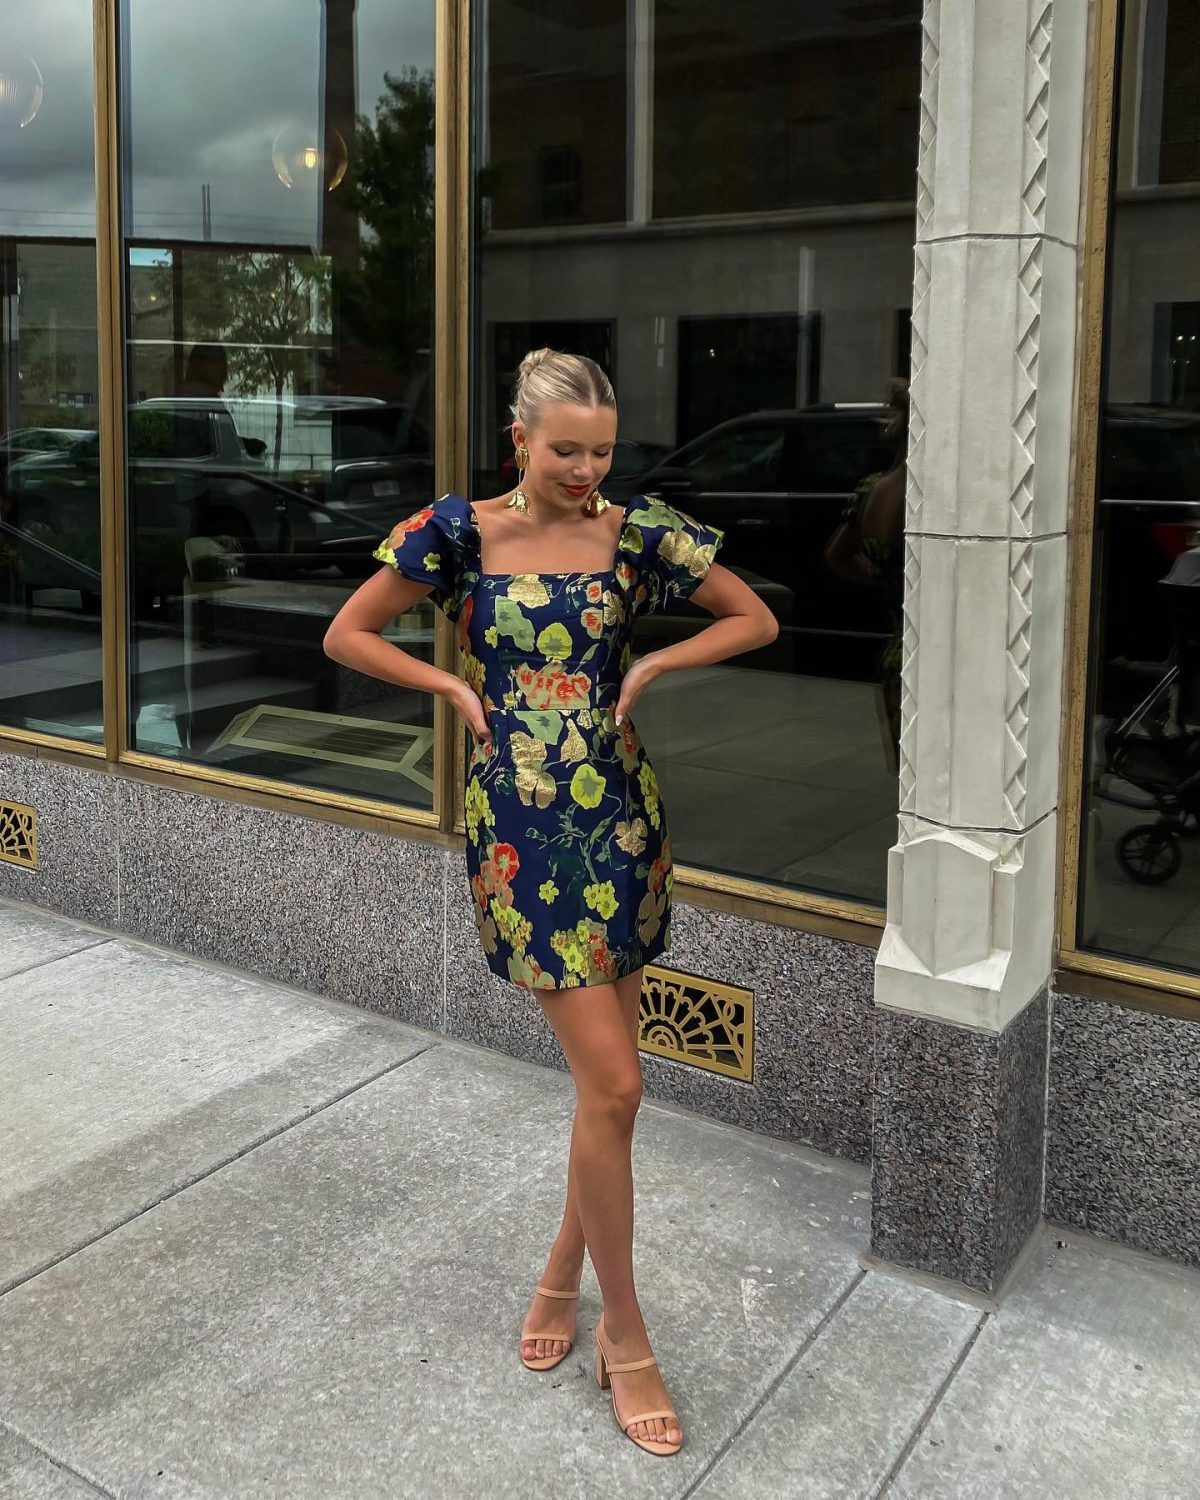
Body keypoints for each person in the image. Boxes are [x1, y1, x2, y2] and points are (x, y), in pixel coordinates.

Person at [323, 347, 776, 1458]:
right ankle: (628, 1335)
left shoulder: (636, 534)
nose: (586, 470)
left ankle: (562, 1277)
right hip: (521, 832)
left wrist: (654, 667)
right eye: (566, 449)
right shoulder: (457, 534)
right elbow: (347, 633)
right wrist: (448, 684)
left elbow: (753, 619)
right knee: (616, 1082)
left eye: (602, 451)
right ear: (518, 438)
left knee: (607, 1097)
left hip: (622, 819)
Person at [821, 378, 909, 772]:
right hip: (924, 654)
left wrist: (884, 579)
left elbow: (837, 555)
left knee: (909, 777)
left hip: (895, 652)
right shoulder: (923, 495)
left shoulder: (875, 489)